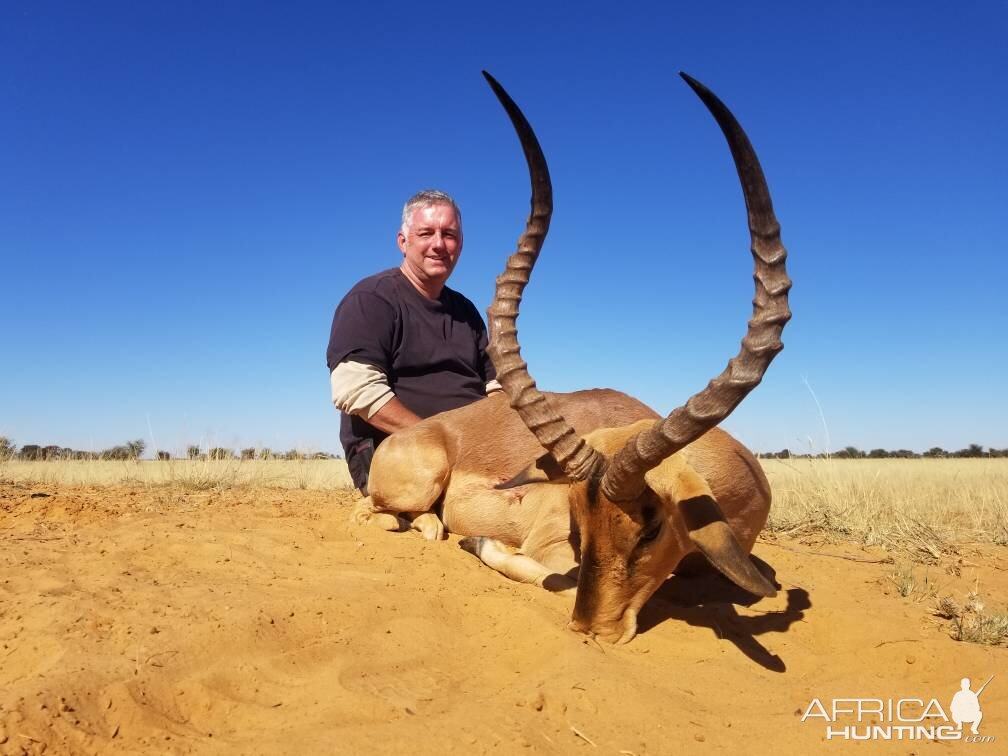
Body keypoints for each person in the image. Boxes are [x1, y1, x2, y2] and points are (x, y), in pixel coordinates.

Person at [327, 189, 500, 494]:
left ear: (460, 244)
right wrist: (438, 442)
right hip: (399, 455)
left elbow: (496, 388)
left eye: (449, 234)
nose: (438, 244)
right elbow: (354, 390)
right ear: (403, 242)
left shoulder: (467, 312)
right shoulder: (372, 299)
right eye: (426, 233)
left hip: (471, 454)